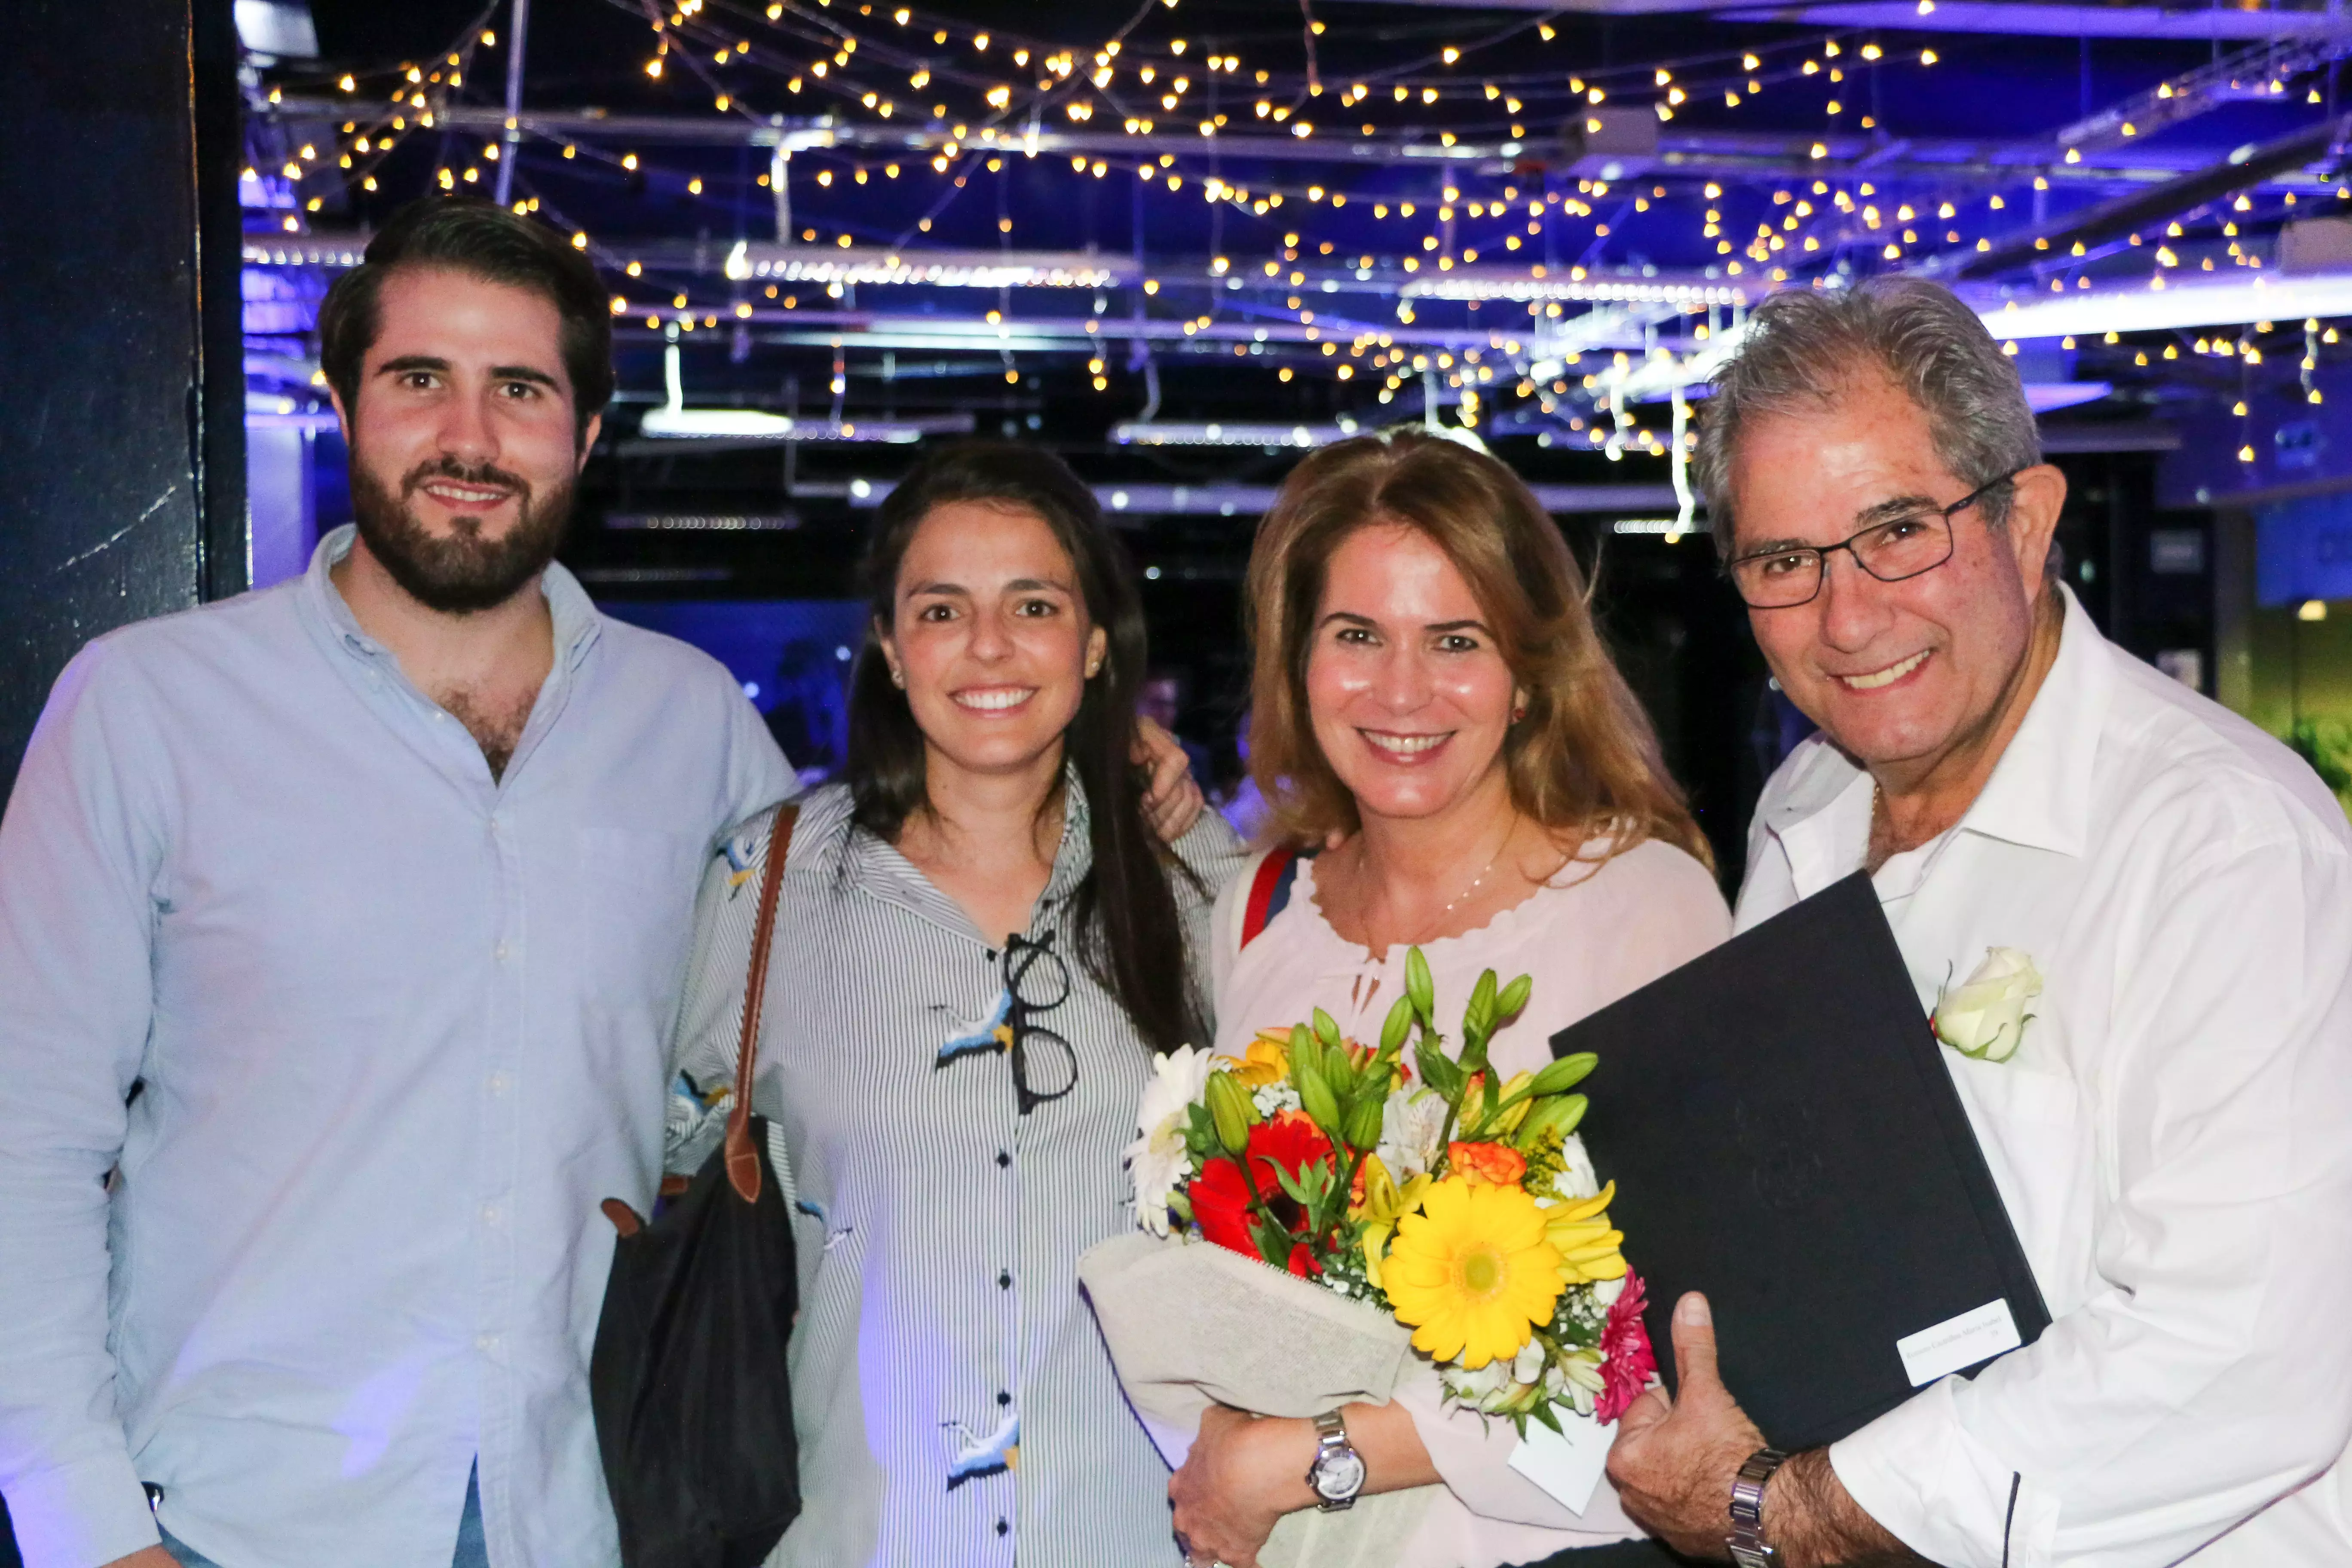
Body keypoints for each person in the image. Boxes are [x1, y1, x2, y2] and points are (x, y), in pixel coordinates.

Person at [0, 197, 801, 1568]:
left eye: (522, 391)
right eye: (420, 379)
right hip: (230, 1519)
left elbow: (840, 999)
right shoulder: (148, 706)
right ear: (343, 403)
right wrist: (77, 1524)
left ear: (587, 434)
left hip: (582, 1507)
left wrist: (1102, 774)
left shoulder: (697, 732)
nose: (470, 439)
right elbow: (26, 1136)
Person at [1605, 277, 2352, 1567]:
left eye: (1899, 531)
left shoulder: (2222, 847)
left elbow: (2238, 1359)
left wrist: (1791, 1514)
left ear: (2029, 521)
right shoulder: (1808, 806)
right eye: (1785, 561)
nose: (1848, 619)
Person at [662, 442, 1242, 1568]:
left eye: (1033, 604)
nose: (988, 647)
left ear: (1095, 642)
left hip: (1143, 1541)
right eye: (941, 609)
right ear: (887, 645)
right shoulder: (768, 884)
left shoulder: (1198, 896)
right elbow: (658, 1159)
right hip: (866, 1540)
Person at [1170, 429, 1732, 1568]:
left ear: (1528, 673)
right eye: (1358, 636)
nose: (1403, 690)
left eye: (1456, 639)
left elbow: (1668, 1336)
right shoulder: (1265, 919)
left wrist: (1310, 1457)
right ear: (1299, 662)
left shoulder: (1644, 909)